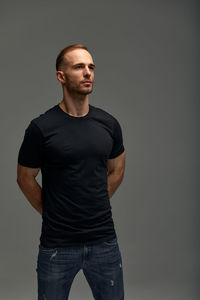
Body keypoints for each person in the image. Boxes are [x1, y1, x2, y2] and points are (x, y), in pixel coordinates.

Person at [17, 43, 126, 300]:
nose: (88, 72)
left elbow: (118, 168)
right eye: (79, 67)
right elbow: (24, 178)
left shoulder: (108, 124)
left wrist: (96, 200)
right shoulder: (41, 128)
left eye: (91, 67)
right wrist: (52, 210)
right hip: (57, 245)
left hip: (104, 242)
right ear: (61, 76)